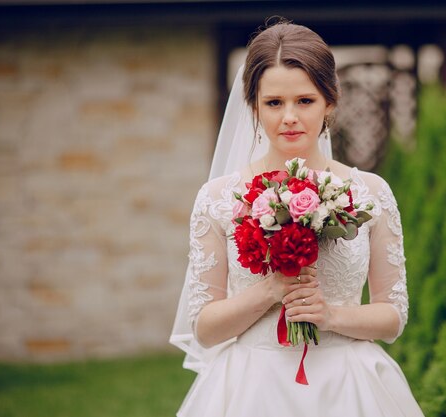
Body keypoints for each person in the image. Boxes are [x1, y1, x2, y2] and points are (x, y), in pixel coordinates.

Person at [170, 20, 425, 417]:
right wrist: (271, 289)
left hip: (348, 385)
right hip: (251, 389)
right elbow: (204, 328)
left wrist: (331, 316)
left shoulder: (371, 194)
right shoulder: (218, 199)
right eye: (274, 103)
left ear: (330, 102)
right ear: (253, 106)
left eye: (304, 101)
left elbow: (393, 317)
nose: (289, 116)